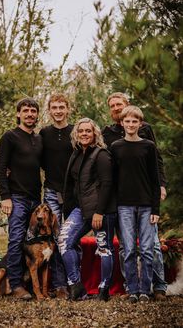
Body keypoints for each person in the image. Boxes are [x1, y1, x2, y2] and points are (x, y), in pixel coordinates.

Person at [102, 92, 167, 301]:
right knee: (128, 248)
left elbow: (155, 175)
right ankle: (132, 289)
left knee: (148, 249)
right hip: (124, 206)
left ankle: (148, 289)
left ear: (140, 123)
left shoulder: (148, 145)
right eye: (127, 121)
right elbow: (110, 177)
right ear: (122, 122)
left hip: (147, 205)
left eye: (134, 121)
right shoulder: (115, 146)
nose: (130, 124)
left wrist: (156, 207)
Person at [58, 117, 117, 301]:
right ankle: (76, 287)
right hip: (80, 209)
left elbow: (107, 184)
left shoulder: (102, 154)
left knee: (104, 248)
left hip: (102, 211)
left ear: (95, 134)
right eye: (81, 131)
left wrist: (100, 211)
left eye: (88, 131)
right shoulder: (76, 154)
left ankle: (103, 290)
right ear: (76, 134)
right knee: (64, 242)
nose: (84, 134)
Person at [0, 98, 42, 300]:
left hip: (35, 199)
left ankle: (28, 281)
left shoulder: (39, 140)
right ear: (18, 114)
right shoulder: (10, 137)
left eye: (33, 111)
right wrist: (5, 197)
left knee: (30, 242)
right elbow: (0, 167)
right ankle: (15, 285)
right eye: (26, 111)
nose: (30, 114)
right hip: (16, 197)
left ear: (37, 114)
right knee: (15, 240)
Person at [40, 93, 73, 299]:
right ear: (50, 110)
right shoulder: (44, 133)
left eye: (62, 107)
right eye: (55, 107)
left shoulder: (75, 132)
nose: (58, 111)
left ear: (68, 109)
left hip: (73, 194)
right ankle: (59, 285)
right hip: (52, 191)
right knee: (53, 237)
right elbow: (38, 159)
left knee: (70, 239)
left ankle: (73, 281)